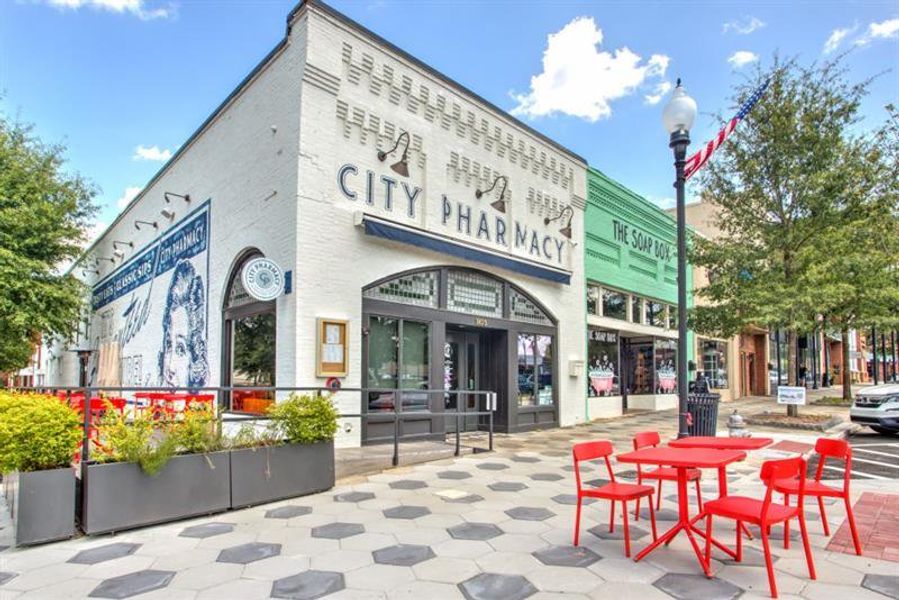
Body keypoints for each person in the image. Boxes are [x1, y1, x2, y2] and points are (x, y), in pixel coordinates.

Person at [158, 259, 208, 388]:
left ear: (194, 360)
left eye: (181, 350)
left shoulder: (202, 407)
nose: (170, 368)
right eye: (168, 346)